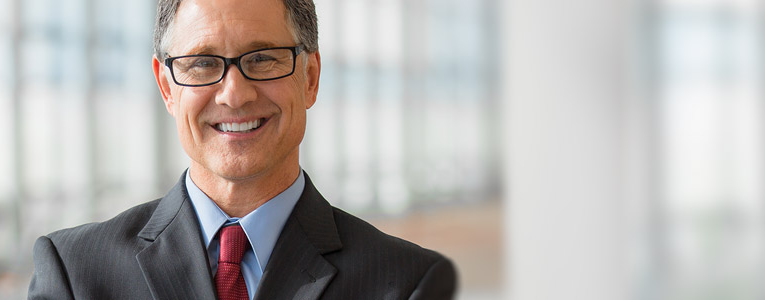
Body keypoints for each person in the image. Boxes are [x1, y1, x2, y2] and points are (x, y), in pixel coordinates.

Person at [26, 0, 457, 299]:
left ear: (310, 77)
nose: (234, 94)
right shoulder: (76, 274)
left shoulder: (405, 282)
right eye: (202, 63)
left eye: (263, 58)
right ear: (166, 88)